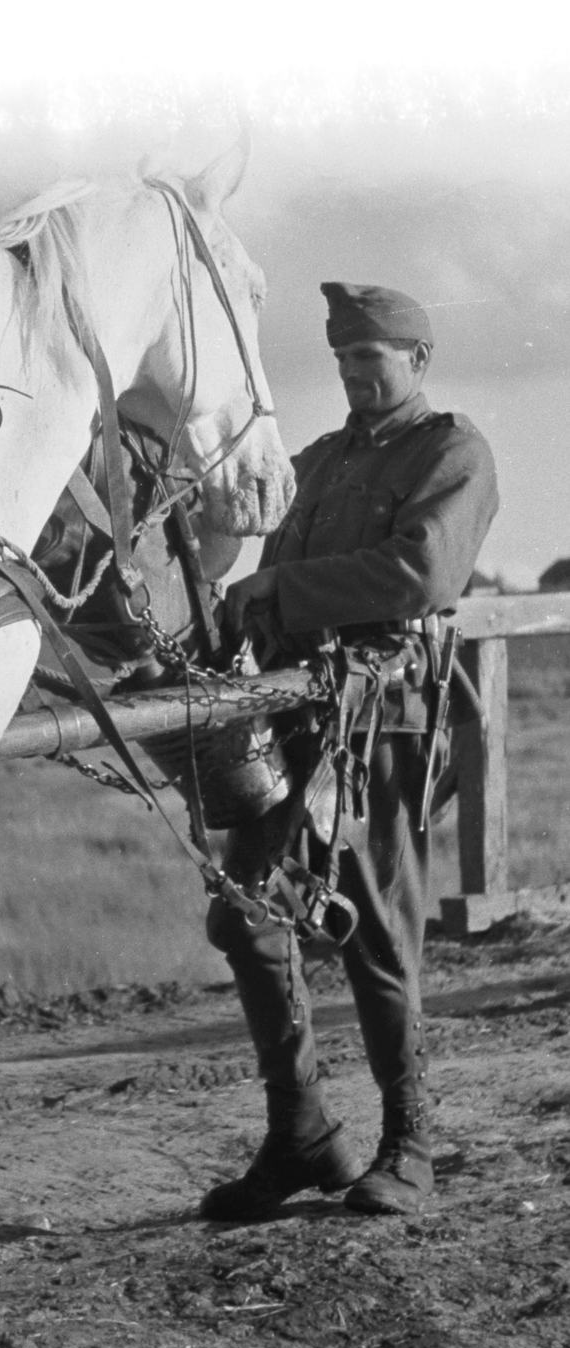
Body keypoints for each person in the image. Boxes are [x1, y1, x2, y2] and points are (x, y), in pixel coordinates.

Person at [203, 281, 499, 1220]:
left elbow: (422, 572)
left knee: (376, 930)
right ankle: (300, 1134)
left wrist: (280, 587)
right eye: (341, 363)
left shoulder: (453, 451)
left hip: (385, 717)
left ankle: (409, 1147)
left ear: (417, 360)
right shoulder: (322, 461)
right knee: (244, 916)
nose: (353, 379)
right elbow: (266, 570)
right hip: (293, 717)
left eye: (369, 362)